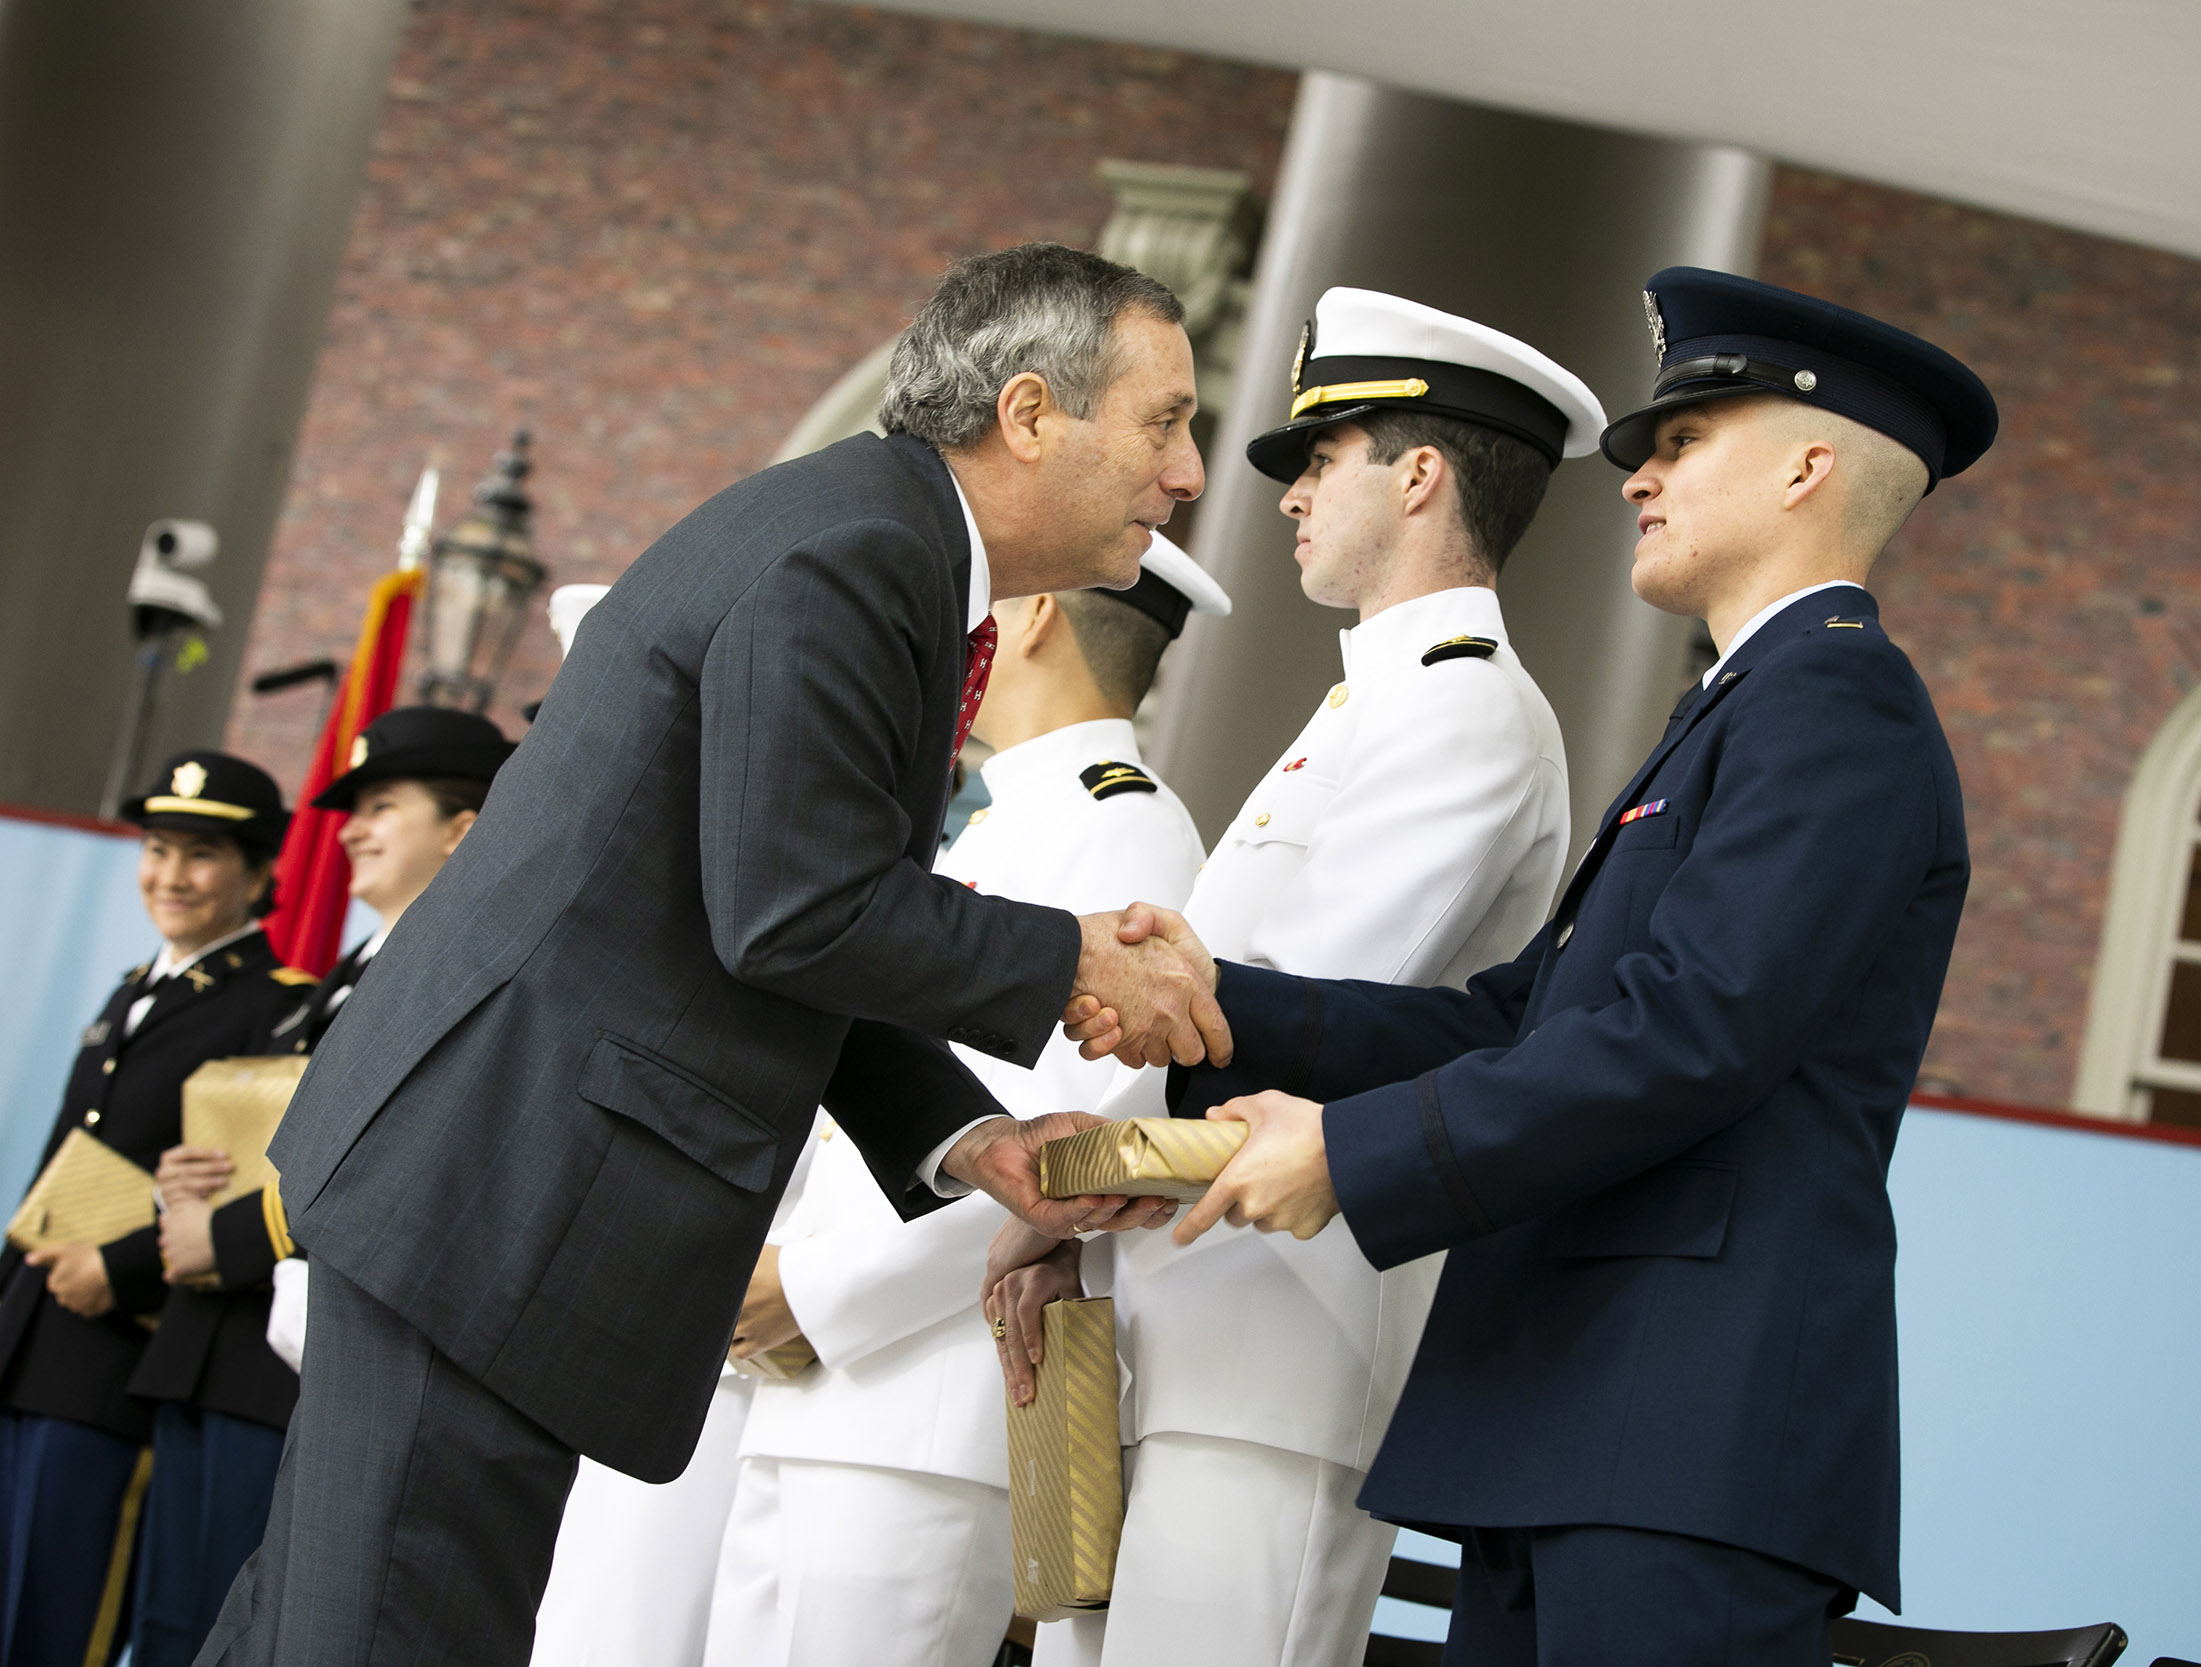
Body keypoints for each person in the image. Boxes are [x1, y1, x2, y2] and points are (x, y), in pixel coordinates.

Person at [201, 241, 1229, 1667]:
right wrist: (1069, 962)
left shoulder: (876, 539)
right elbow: (794, 906)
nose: (1187, 473)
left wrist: (969, 1144)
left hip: (488, 1188)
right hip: (497, 1197)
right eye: (1165, 421)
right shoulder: (866, 554)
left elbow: (773, 918)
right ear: (1033, 411)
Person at [1061, 268, 2001, 1665]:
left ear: (1810, 464)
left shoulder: (1838, 703)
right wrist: (1216, 996)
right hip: (1582, 1417)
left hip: (1686, 1429)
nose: (1638, 476)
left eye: (1683, 441)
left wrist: (1351, 1153)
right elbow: (1523, 1017)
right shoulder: (1746, 707)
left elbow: (1693, 1029)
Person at [1006, 288, 1600, 1667]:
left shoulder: (1468, 708)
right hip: (1177, 1313)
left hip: (1285, 1346)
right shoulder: (1372, 701)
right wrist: (1064, 1212)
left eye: (1322, 460)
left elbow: (1286, 1018)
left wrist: (1069, 1175)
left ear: (1421, 471)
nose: (1286, 497)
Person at [695, 531, 1226, 1667]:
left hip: (929, 1398)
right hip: (817, 1385)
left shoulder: (1121, 821)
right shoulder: (991, 816)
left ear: (1032, 618)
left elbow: (1071, 1155)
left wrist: (813, 1287)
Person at [128, 709, 512, 1667]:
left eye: (383, 805)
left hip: (307, 1351)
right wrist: (188, 1180)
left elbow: (391, 1158)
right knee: (181, 1626)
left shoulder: (454, 970)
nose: (347, 828)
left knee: (281, 1627)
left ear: (463, 828)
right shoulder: (335, 981)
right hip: (224, 1343)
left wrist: (225, 1236)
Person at [0, 752, 307, 1667]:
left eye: (201, 854)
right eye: (159, 848)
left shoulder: (273, 1008)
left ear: (259, 875)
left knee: (57, 1624)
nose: (170, 875)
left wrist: (120, 1266)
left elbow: (245, 1187)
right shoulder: (130, 990)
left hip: (116, 1357)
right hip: (29, 1340)